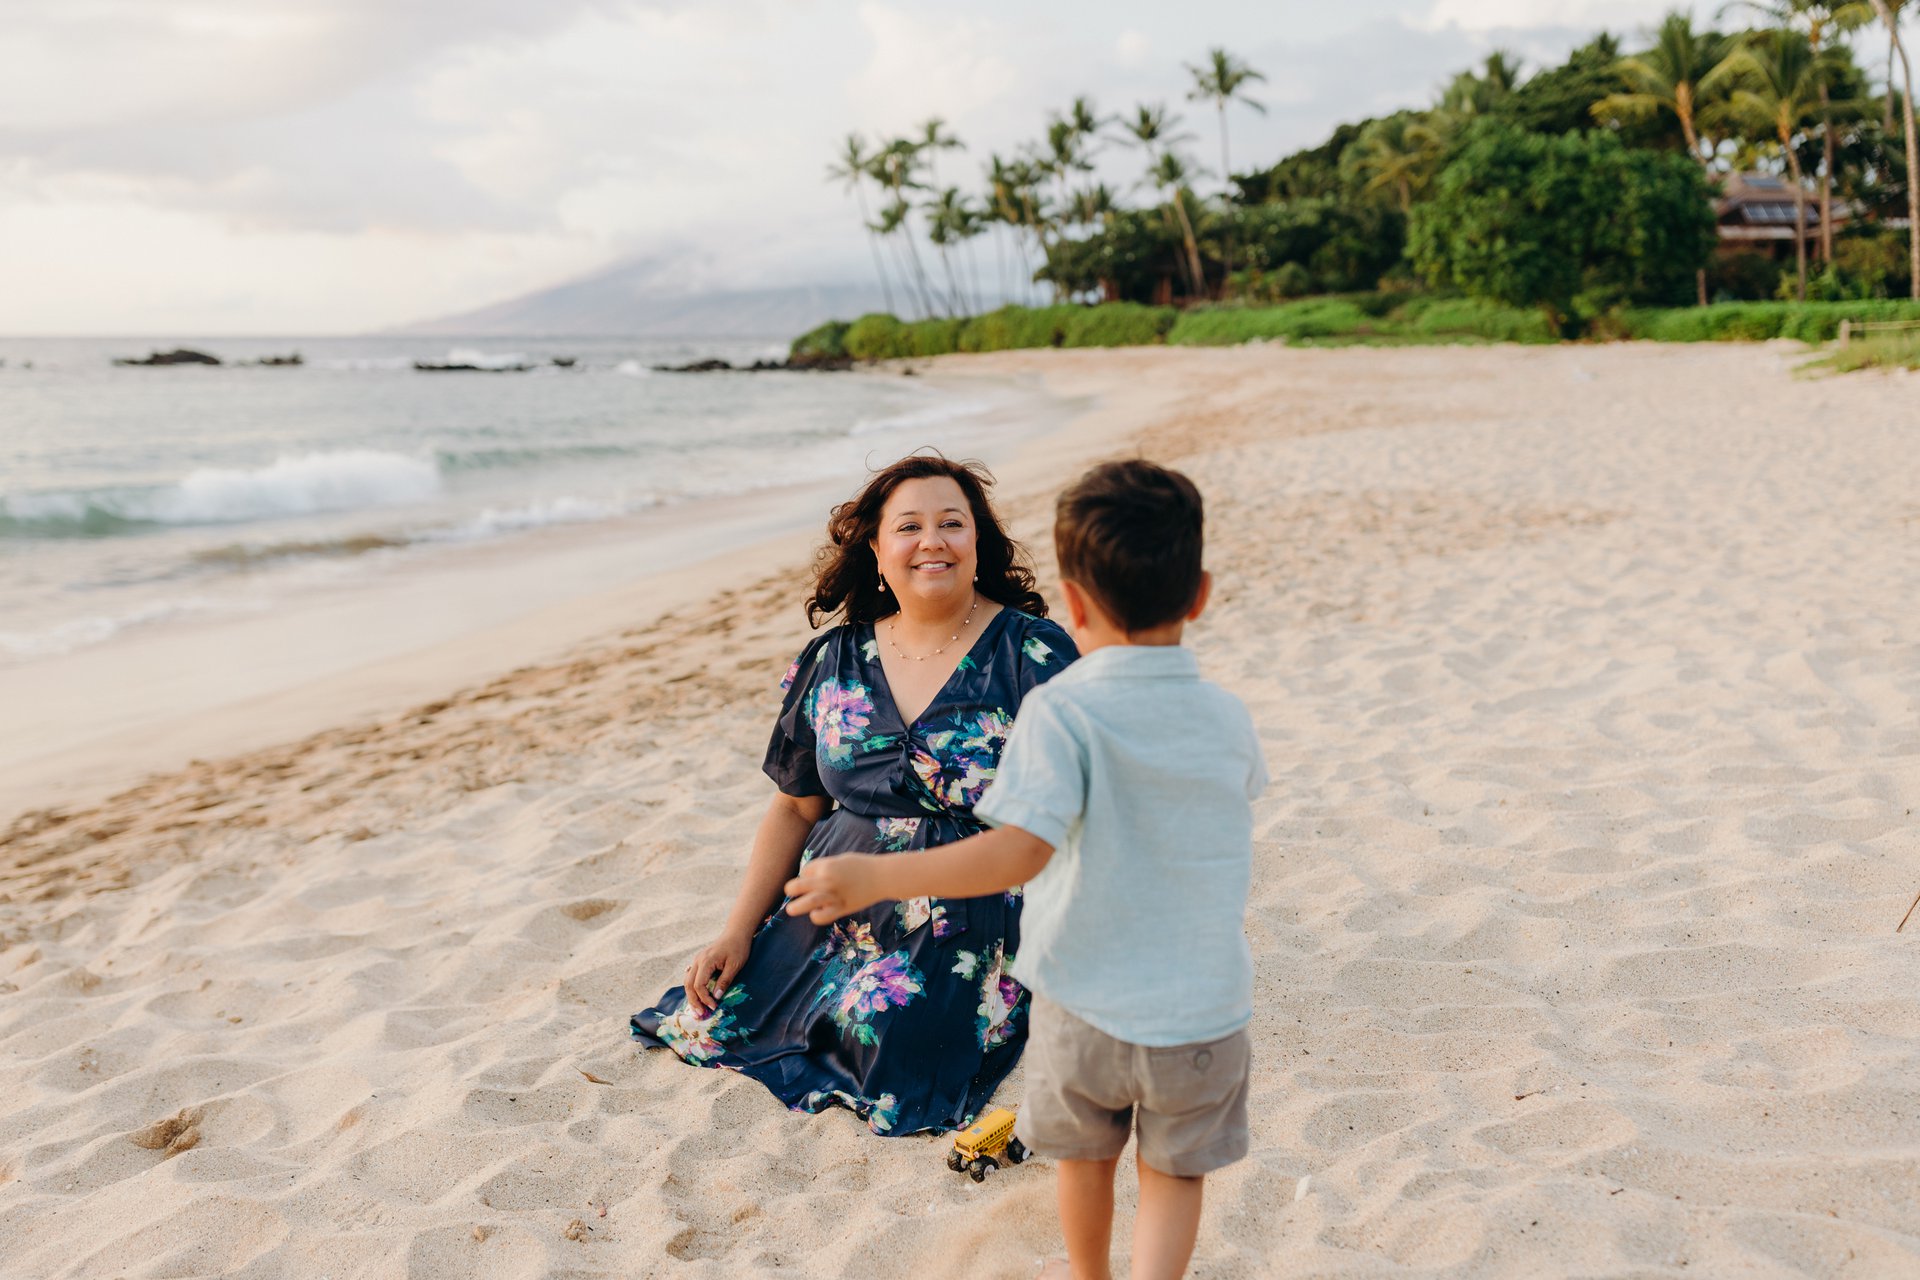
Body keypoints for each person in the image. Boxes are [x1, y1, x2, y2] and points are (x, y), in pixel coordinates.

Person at [785, 459, 1265, 1279]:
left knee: (1085, 1161)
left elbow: (1021, 849)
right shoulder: (1227, 715)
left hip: (1085, 1001)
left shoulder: (1060, 705)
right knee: (1176, 1172)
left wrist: (876, 879)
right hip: (1207, 1008)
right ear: (1201, 594)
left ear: (1074, 605)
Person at [630, 453, 1078, 1136]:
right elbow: (795, 806)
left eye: (952, 523)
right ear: (875, 548)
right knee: (717, 1018)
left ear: (977, 543)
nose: (932, 541)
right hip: (832, 901)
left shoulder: (1034, 654)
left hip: (969, 903)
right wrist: (737, 929)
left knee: (885, 1042)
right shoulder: (834, 659)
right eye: (909, 527)